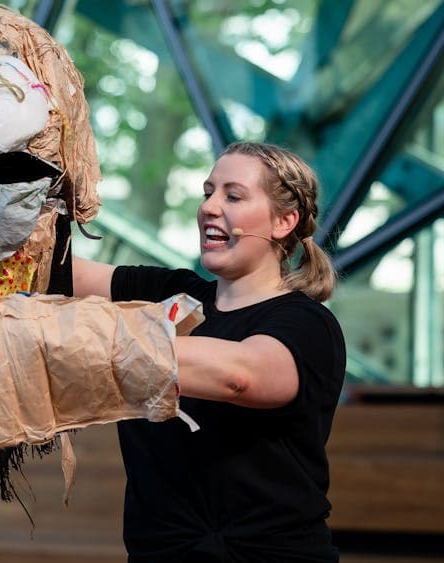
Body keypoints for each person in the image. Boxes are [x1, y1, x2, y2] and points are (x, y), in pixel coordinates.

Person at [73, 141, 347, 562]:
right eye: (207, 192)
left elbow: (241, 376)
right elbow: (52, 272)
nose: (209, 207)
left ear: (284, 221)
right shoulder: (167, 294)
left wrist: (93, 336)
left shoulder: (306, 324)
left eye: (233, 196)